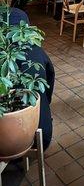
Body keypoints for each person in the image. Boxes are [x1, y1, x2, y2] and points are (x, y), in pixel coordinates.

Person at [3, 8, 54, 151]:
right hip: (42, 135)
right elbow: (49, 81)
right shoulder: (37, 50)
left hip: (6, 145)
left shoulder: (4, 54)